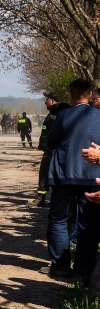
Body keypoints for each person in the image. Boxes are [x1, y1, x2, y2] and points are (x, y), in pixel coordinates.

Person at [45, 78, 100, 280]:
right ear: (90, 94)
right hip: (93, 178)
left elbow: (50, 142)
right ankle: (82, 271)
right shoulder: (99, 117)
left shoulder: (64, 115)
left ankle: (60, 266)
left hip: (65, 176)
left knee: (59, 220)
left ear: (71, 94)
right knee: (89, 224)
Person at [35, 92, 70, 206]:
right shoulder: (51, 115)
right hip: (49, 150)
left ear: (54, 101)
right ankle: (41, 198)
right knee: (45, 175)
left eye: (47, 100)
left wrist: (50, 149)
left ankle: (44, 199)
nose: (45, 102)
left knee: (47, 174)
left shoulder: (57, 115)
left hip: (53, 152)